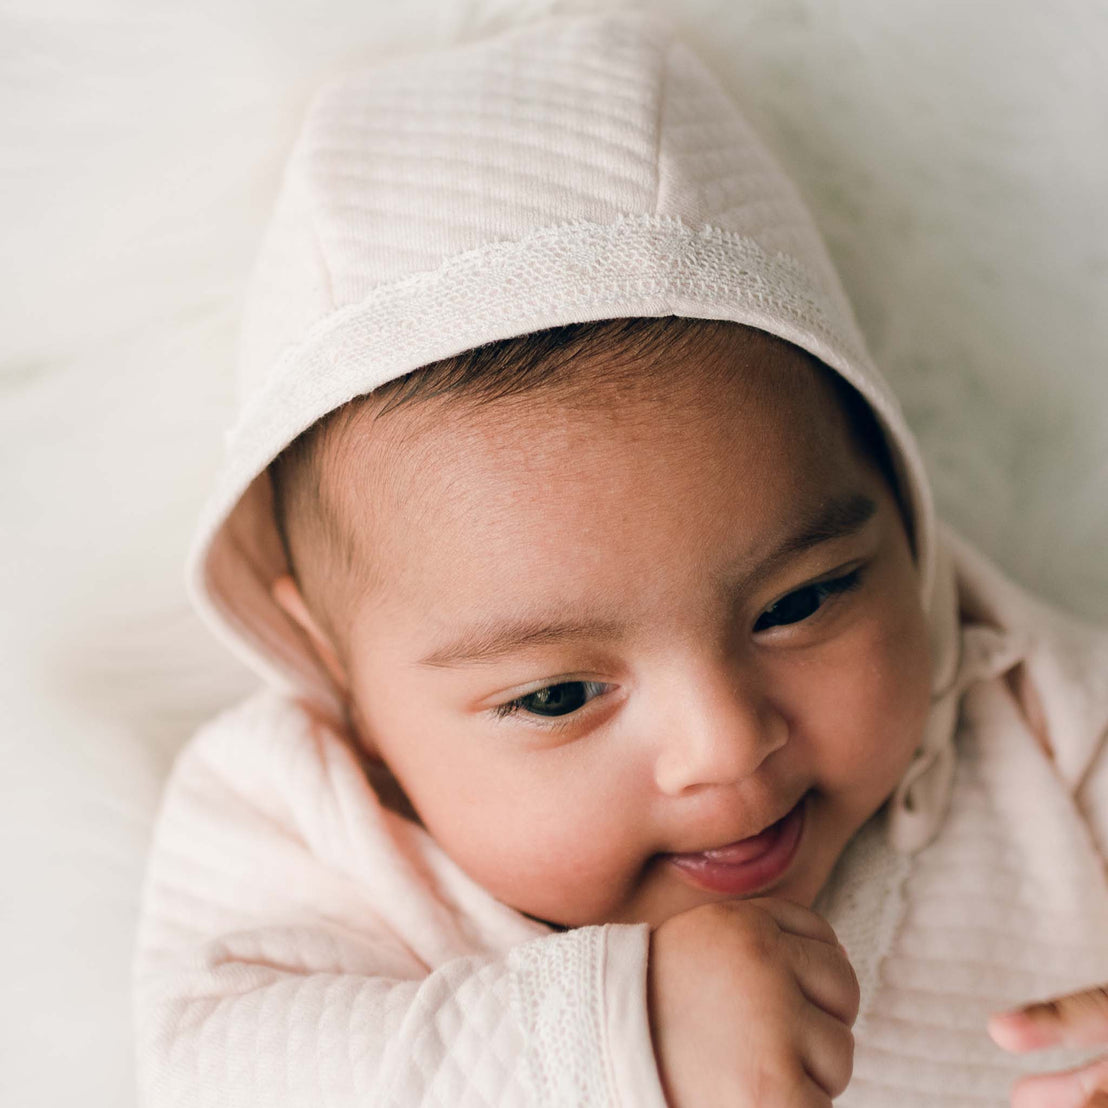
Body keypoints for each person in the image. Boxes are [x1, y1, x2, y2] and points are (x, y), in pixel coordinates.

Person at [133, 12, 1108, 1107]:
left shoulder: (1032, 712)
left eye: (802, 599)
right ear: (337, 670)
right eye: (557, 693)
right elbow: (209, 1068)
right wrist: (610, 1037)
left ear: (893, 497)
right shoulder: (305, 828)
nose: (725, 745)